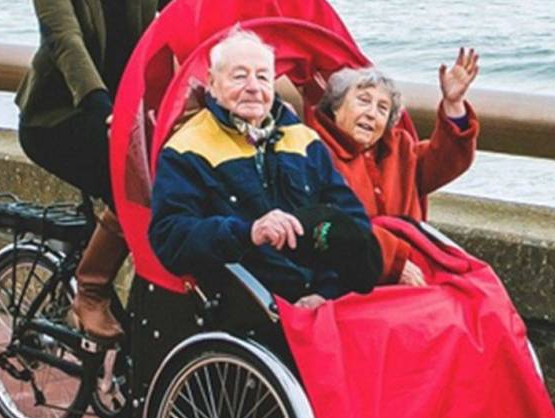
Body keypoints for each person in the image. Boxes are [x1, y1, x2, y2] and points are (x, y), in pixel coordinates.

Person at [15, 0, 184, 340]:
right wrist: (101, 106)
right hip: (61, 117)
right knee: (135, 192)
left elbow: (190, 17)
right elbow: (66, 40)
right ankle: (90, 291)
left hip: (123, 117)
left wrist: (241, 50)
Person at [149, 27, 381, 308]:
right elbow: (170, 238)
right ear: (211, 82)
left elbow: (352, 225)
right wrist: (249, 232)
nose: (253, 87)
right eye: (239, 76)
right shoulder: (186, 148)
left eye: (262, 77)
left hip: (322, 300)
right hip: (248, 305)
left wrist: (327, 292)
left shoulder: (304, 140)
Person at [306, 48, 480, 286]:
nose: (371, 114)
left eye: (382, 108)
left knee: (481, 291)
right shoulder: (313, 150)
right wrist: (391, 262)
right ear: (336, 106)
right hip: (349, 277)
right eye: (363, 101)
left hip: (415, 269)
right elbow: (328, 226)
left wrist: (453, 103)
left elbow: (447, 159)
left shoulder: (400, 149)